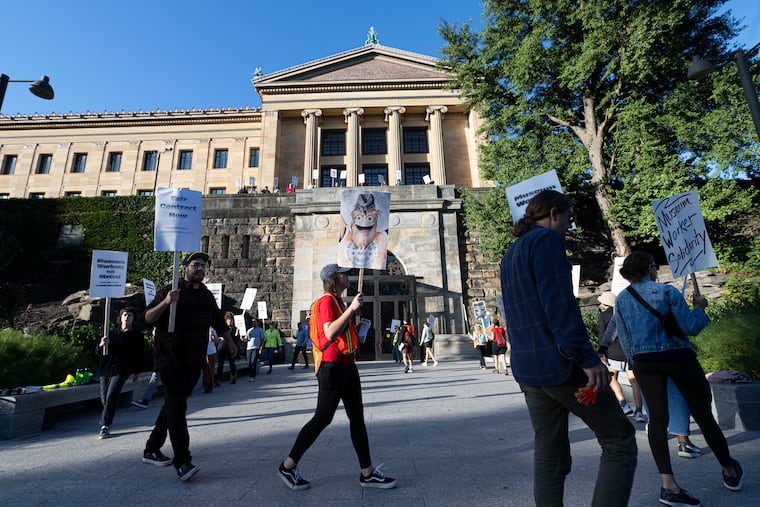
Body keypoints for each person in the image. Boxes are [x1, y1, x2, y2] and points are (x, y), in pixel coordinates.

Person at [499, 189, 637, 507]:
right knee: (619, 439)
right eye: (569, 218)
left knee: (549, 451)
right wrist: (587, 358)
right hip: (559, 365)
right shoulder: (546, 242)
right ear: (554, 213)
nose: (569, 226)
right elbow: (559, 305)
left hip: (528, 370)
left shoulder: (511, 253)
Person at [614, 251, 743, 505]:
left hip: (644, 362)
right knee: (703, 415)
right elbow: (690, 327)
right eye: (655, 265)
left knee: (658, 421)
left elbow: (625, 338)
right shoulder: (667, 293)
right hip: (678, 358)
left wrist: (638, 361)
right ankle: (729, 469)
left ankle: (669, 485)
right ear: (649, 268)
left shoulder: (622, 299)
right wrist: (699, 309)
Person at [277, 263, 396, 491]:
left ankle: (367, 472)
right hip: (332, 367)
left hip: (346, 365)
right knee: (322, 418)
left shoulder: (339, 303)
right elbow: (329, 332)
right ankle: (287, 465)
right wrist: (351, 310)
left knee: (357, 418)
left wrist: (357, 328)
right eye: (345, 273)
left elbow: (342, 334)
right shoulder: (326, 301)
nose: (348, 275)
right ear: (334, 278)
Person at [141, 251, 236, 482]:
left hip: (194, 361)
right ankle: (182, 461)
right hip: (170, 359)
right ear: (184, 268)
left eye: (203, 265)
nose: (200, 269)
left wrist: (231, 342)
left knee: (175, 405)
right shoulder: (169, 290)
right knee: (177, 408)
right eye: (195, 265)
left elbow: (217, 320)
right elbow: (147, 318)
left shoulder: (205, 295)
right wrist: (165, 302)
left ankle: (151, 448)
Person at [596, 292, 645, 422]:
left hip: (613, 353)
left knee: (611, 377)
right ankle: (639, 411)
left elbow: (603, 336)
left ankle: (623, 404)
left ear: (605, 303)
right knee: (634, 381)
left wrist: (602, 352)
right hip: (629, 352)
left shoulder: (603, 316)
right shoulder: (627, 312)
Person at [96, 307, 144, 439]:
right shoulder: (111, 333)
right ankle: (106, 416)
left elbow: (139, 355)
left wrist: (137, 373)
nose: (127, 317)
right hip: (106, 368)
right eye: (124, 315)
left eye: (129, 315)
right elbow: (97, 352)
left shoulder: (137, 335)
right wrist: (101, 345)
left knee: (111, 395)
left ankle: (105, 425)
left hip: (123, 369)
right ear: (120, 317)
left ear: (133, 319)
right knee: (105, 397)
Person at [216, 312, 239, 385]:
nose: (230, 321)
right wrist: (220, 338)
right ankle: (218, 380)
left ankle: (234, 377)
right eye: (228, 319)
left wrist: (237, 335)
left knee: (232, 363)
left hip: (230, 348)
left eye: (231, 319)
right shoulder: (221, 328)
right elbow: (216, 336)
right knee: (220, 364)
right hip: (222, 347)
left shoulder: (235, 329)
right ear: (225, 320)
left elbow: (236, 340)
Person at [203, 328, 218, 393]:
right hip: (204, 352)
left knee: (211, 369)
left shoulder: (212, 329)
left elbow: (217, 340)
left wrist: (213, 336)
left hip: (211, 352)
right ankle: (206, 385)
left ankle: (210, 386)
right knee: (205, 370)